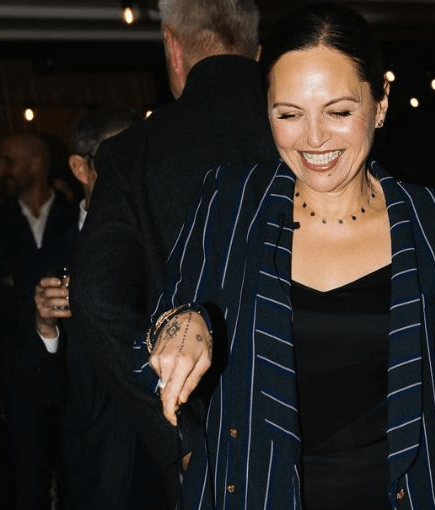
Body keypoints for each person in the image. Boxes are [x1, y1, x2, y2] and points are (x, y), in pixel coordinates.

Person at [137, 3, 435, 508]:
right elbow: (164, 329)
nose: (314, 139)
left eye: (339, 112)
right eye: (288, 114)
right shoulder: (228, 200)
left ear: (380, 104)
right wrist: (185, 322)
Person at [67, 0, 277, 504]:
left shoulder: (132, 152)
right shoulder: (311, 136)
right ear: (257, 52)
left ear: (172, 48)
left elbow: (94, 297)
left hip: (207, 447)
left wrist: (176, 434)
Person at [28, 106, 165, 509]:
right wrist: (46, 330)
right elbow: (36, 392)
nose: (132, 170)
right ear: (80, 167)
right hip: (95, 462)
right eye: (117, 158)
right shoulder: (49, 257)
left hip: (164, 457)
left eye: (139, 156)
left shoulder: (168, 235)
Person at [0, 132, 77, 510]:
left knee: (77, 481)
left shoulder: (74, 215)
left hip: (71, 376)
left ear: (37, 163)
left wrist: (17, 281)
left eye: (9, 161)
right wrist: (38, 287)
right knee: (27, 484)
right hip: (17, 380)